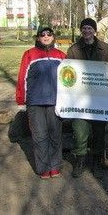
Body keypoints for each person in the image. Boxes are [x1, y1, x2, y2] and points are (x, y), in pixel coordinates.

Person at [16, 27, 66, 179]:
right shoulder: (29, 54)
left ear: (53, 37)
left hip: (55, 102)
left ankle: (55, 166)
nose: (46, 37)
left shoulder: (61, 55)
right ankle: (44, 168)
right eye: (42, 35)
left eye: (49, 34)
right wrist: (21, 99)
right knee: (40, 135)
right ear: (38, 38)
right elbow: (22, 77)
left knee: (55, 134)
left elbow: (69, 78)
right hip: (35, 101)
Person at [67, 18, 108, 179]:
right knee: (80, 131)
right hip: (80, 99)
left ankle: (97, 161)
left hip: (100, 98)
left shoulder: (106, 49)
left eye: (89, 28)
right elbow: (68, 73)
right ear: (81, 30)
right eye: (84, 28)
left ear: (95, 31)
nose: (87, 31)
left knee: (99, 132)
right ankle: (80, 160)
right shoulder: (73, 50)